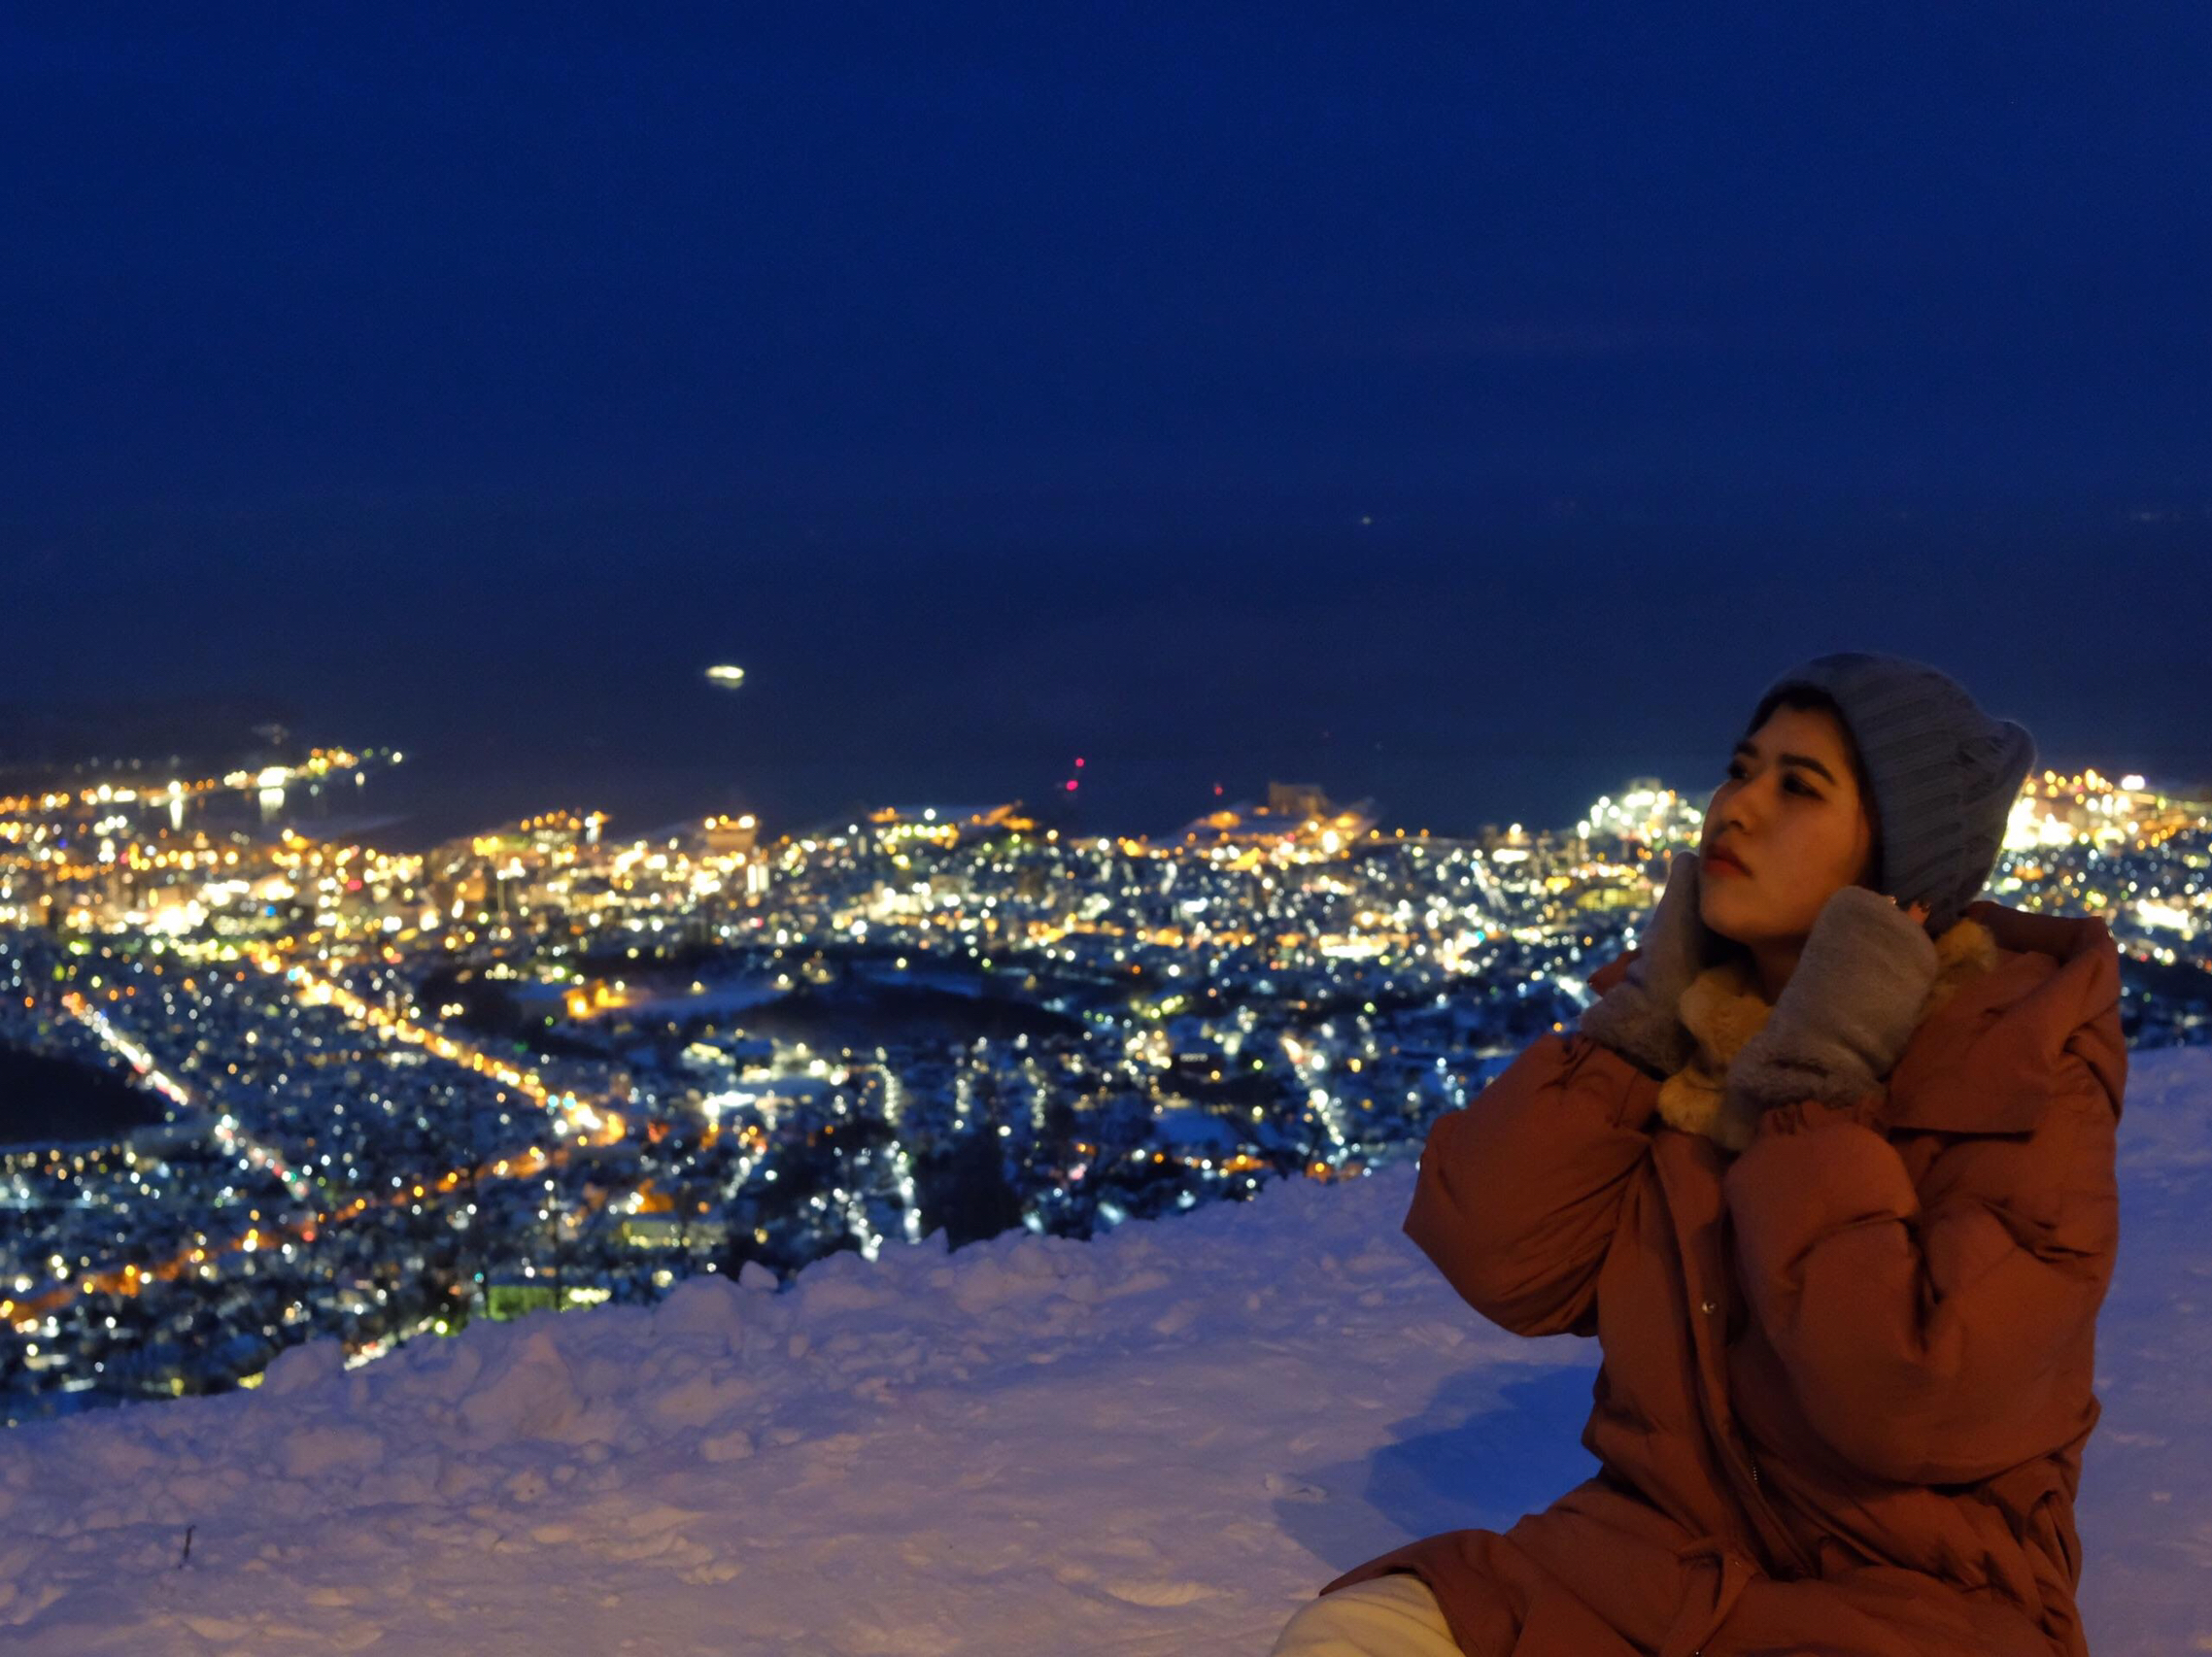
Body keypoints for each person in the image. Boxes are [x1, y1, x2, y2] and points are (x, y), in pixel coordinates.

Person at [1269, 651, 2123, 1657]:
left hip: (1911, 1602)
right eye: (1740, 767)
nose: (1736, 807)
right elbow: (1503, 1257)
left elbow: (1912, 1401)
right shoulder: (1698, 1046)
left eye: (1798, 786)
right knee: (1357, 1636)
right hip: (1648, 1566)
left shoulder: (2016, 1069)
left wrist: (1815, 1094)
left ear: (1899, 863)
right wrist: (1636, 1028)